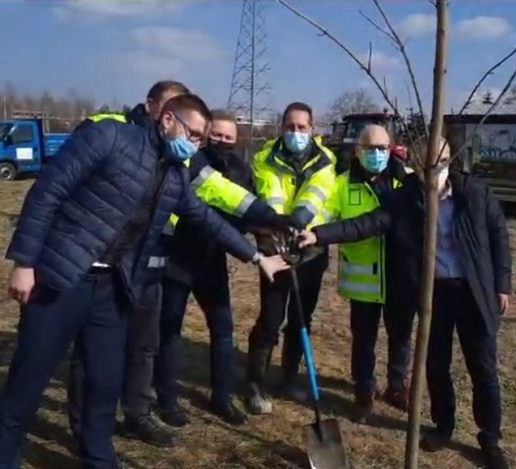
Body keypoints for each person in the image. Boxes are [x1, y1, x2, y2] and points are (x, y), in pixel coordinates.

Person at [0, 93, 289, 469]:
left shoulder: (175, 175)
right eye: (193, 134)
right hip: (60, 279)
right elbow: (48, 191)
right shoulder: (109, 138)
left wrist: (257, 256)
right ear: (166, 120)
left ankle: (98, 466)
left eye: (201, 139)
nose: (196, 144)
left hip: (112, 287)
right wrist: (24, 263)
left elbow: (206, 219)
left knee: (104, 384)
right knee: (27, 385)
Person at [297, 137, 513, 469]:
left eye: (439, 164)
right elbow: (364, 224)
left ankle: (490, 440)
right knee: (436, 366)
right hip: (433, 295)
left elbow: (499, 236)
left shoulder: (475, 193)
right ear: (414, 163)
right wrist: (317, 235)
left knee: (482, 368)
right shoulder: (404, 199)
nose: (433, 172)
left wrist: (503, 284)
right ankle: (443, 426)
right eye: (425, 165)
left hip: (474, 292)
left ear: (450, 161)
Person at [66, 80, 191, 449]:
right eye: (169, 109)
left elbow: (206, 194)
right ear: (151, 106)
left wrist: (264, 218)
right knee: (90, 351)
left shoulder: (176, 153)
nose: (175, 120)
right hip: (103, 264)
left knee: (143, 344)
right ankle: (81, 428)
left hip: (150, 264)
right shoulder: (109, 131)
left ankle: (137, 414)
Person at [153, 110, 277, 431]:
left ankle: (221, 396)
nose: (222, 141)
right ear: (207, 135)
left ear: (237, 140)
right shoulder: (191, 162)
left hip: (212, 260)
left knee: (223, 330)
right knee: (170, 328)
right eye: (216, 135)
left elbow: (247, 210)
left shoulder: (241, 170)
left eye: (229, 137)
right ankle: (166, 398)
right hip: (177, 257)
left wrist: (267, 237)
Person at [315, 124, 417, 423]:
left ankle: (396, 388)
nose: (376, 153)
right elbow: (326, 214)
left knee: (401, 337)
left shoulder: (408, 181)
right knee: (363, 340)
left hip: (401, 278)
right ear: (358, 151)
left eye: (382, 148)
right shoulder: (342, 184)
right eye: (370, 148)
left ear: (392, 149)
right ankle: (364, 392)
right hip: (362, 282)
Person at [245, 101, 338, 415]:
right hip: (275, 251)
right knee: (270, 318)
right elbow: (262, 199)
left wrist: (299, 224)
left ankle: (289, 377)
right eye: (290, 126)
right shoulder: (263, 160)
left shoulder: (326, 161)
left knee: (301, 318)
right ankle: (255, 383)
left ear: (312, 130)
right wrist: (268, 235)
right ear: (281, 128)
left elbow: (317, 196)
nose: (296, 132)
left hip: (310, 251)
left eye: (302, 127)